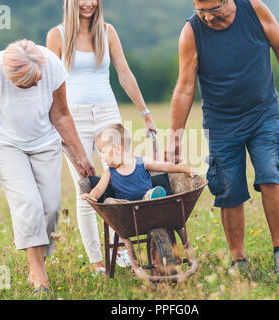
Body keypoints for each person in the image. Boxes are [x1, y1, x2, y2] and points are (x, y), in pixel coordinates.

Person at [166, 0, 279, 275]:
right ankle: (238, 261)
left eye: (213, 9)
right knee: (228, 190)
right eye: (200, 11)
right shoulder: (192, 32)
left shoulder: (254, 10)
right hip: (221, 123)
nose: (207, 17)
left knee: (269, 174)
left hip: (262, 114)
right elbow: (185, 87)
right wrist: (176, 134)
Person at [0, 39, 95, 293]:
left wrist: (81, 155)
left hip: (45, 140)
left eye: (39, 78)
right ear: (11, 77)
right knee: (29, 204)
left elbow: (61, 114)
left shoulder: (52, 66)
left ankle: (37, 257)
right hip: (6, 143)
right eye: (29, 83)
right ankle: (38, 273)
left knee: (50, 207)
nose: (38, 84)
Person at [46, 0, 158, 273]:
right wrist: (52, 124)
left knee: (121, 180)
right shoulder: (57, 35)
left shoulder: (107, 31)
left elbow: (124, 73)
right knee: (86, 188)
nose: (88, 3)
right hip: (74, 118)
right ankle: (97, 260)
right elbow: (48, 84)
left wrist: (144, 113)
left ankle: (121, 251)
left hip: (108, 113)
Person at [81, 124, 194, 203]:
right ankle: (124, 235)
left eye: (103, 151)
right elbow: (99, 189)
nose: (100, 156)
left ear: (118, 149)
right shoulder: (109, 172)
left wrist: (184, 170)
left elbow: (164, 166)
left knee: (151, 193)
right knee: (109, 201)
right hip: (124, 205)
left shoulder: (142, 162)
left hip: (145, 202)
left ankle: (152, 197)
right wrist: (91, 196)